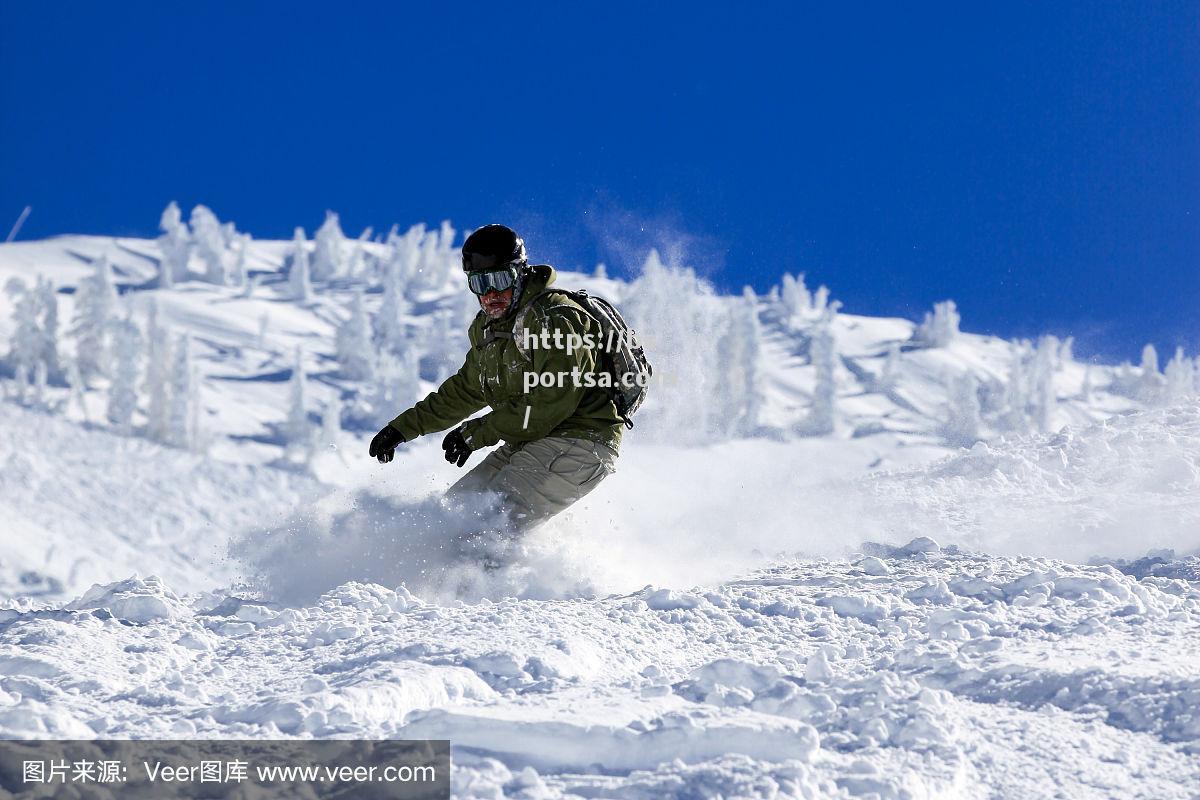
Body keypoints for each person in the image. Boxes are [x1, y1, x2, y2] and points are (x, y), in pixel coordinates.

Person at [368, 224, 623, 549]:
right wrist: (403, 429)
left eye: (500, 280)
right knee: (450, 517)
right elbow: (467, 389)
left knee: (483, 530)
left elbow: (553, 401)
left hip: (579, 439)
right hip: (529, 438)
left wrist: (477, 433)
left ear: (520, 272)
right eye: (480, 283)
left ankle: (500, 597)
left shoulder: (556, 319)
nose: (491, 294)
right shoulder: (490, 329)